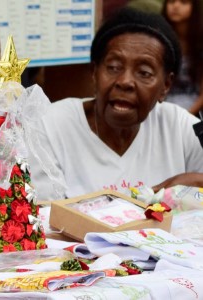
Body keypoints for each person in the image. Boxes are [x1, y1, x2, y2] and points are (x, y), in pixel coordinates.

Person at [29, 8, 203, 200]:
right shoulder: (50, 125)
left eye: (144, 73)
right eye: (113, 67)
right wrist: (153, 197)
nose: (125, 81)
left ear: (166, 86)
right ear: (94, 72)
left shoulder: (180, 128)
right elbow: (44, 218)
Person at [162, 0, 203, 116]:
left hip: (192, 112)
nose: (175, 6)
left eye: (184, 2)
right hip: (161, 108)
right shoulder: (158, 41)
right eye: (171, 1)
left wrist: (185, 117)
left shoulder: (200, 43)